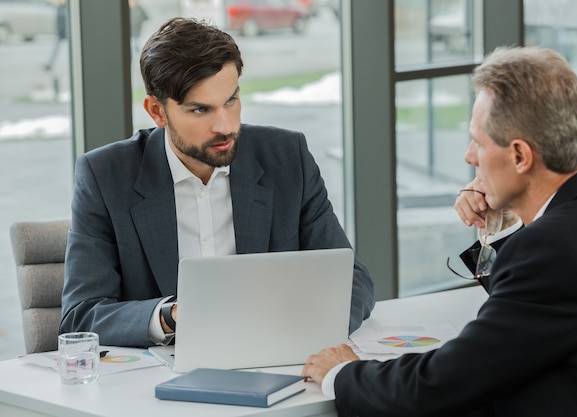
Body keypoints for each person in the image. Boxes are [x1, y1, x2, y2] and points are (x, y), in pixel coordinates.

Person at [302, 46, 577, 416]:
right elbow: (531, 320)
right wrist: (502, 228)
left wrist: (343, 372)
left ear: (520, 156)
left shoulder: (552, 253)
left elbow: (438, 386)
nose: (469, 156)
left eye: (478, 141)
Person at [60, 17, 375, 348]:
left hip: (277, 358)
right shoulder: (106, 176)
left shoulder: (286, 159)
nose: (224, 126)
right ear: (157, 112)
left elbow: (353, 281)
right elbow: (82, 316)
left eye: (231, 101)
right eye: (200, 110)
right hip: (158, 381)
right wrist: (172, 316)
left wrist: (300, 333)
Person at [43, 0, 67, 72]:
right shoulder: (60, 8)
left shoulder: (65, 9)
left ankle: (50, 64)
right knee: (56, 49)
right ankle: (50, 64)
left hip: (65, 33)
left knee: (57, 49)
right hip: (62, 33)